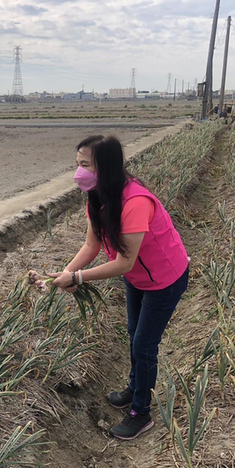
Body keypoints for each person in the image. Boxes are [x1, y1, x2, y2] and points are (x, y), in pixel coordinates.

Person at [48, 135, 189, 440]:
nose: (78, 172)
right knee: (134, 332)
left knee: (144, 343)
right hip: (139, 277)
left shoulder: (135, 202)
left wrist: (78, 279)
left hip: (165, 280)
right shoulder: (98, 197)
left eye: (85, 165)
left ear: (105, 166)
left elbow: (124, 262)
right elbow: (91, 244)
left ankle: (141, 413)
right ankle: (136, 386)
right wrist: (68, 271)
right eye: (77, 164)